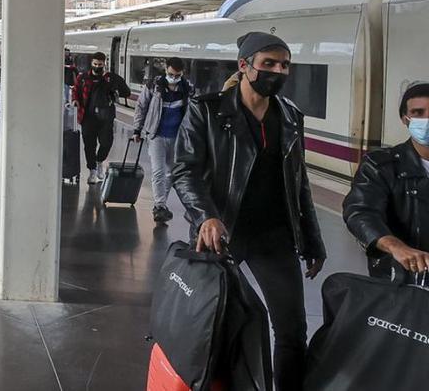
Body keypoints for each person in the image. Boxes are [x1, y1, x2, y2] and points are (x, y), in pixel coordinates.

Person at [172, 32, 326, 391]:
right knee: (209, 323)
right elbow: (185, 169)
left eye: (284, 64)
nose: (278, 71)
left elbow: (299, 183)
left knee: (291, 330)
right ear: (244, 66)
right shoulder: (207, 110)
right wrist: (204, 216)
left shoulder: (290, 116)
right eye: (269, 63)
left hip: (274, 235)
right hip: (222, 234)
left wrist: (312, 240)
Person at [343, 83, 429, 281]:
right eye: (418, 112)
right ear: (405, 119)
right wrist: (396, 247)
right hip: (400, 277)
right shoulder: (380, 165)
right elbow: (360, 211)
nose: (426, 120)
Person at [131, 57, 193, 224]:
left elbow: (192, 113)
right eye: (171, 74)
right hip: (156, 135)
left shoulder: (187, 89)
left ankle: (161, 205)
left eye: (177, 74)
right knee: (158, 171)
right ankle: (159, 205)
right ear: (166, 70)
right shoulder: (154, 86)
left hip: (177, 137)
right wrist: (137, 129)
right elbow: (141, 106)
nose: (174, 77)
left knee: (171, 173)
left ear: (182, 73)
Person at [72, 52, 130, 183]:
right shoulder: (83, 78)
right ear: (91, 63)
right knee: (89, 145)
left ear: (104, 64)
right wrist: (75, 100)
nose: (97, 67)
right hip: (87, 117)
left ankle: (100, 161)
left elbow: (126, 92)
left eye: (100, 64)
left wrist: (115, 90)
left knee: (106, 143)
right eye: (95, 64)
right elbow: (76, 91)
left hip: (106, 117)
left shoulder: (111, 78)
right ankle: (92, 170)